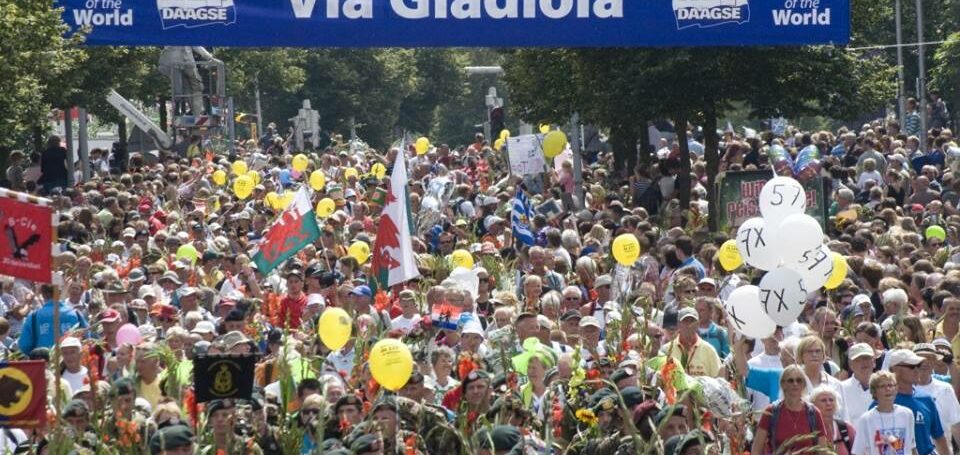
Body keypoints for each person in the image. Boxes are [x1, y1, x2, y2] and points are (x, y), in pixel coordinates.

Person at [752, 365, 830, 454]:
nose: (795, 384)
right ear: (783, 384)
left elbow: (823, 450)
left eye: (799, 380)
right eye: (790, 380)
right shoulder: (771, 412)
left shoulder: (813, 413)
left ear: (804, 384)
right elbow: (756, 449)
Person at [852, 371, 918, 455]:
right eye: (882, 386)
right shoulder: (866, 419)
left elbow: (912, 447)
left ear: (896, 389)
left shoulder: (907, 414)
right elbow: (857, 451)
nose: (887, 389)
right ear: (874, 391)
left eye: (890, 385)